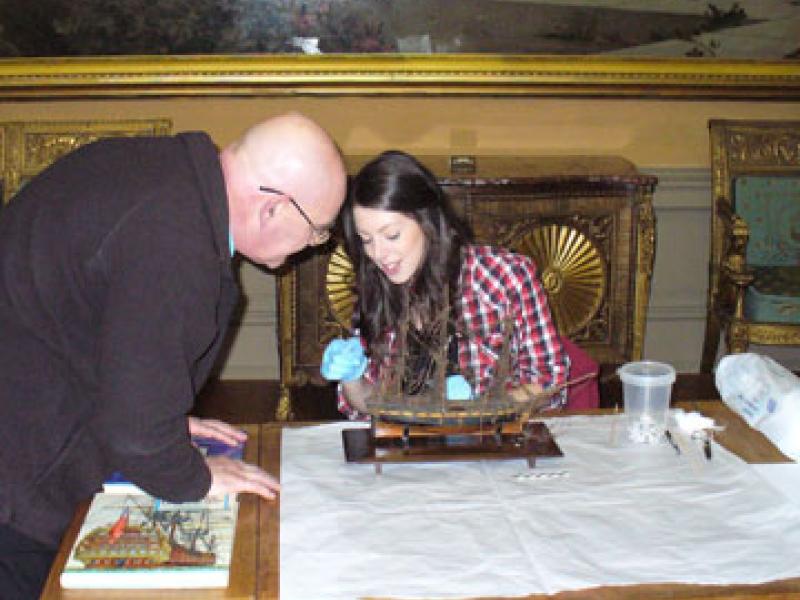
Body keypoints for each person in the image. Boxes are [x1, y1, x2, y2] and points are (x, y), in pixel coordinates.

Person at [0, 111, 347, 597]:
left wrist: (162, 415)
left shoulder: (162, 175)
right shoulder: (178, 243)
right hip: (18, 480)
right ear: (273, 208)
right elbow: (137, 435)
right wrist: (194, 476)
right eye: (317, 229)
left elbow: (87, 322)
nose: (315, 245)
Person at [321, 150, 572, 419]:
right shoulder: (377, 284)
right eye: (366, 240)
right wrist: (353, 380)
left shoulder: (504, 278)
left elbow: (550, 384)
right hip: (406, 450)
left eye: (392, 235)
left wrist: (478, 411)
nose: (378, 254)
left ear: (427, 222)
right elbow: (369, 408)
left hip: (491, 447)